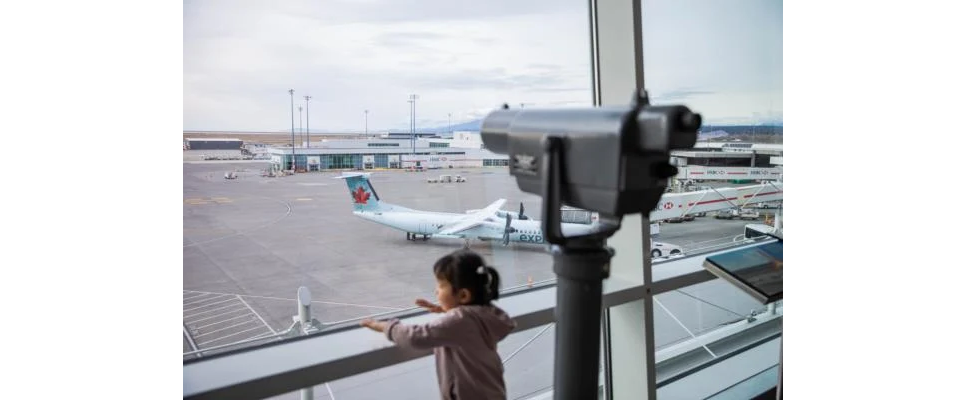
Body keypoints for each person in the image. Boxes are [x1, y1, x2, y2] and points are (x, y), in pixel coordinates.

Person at [361, 249, 516, 400]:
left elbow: (415, 337)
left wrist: (385, 326)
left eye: (441, 286)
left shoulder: (459, 320)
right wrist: (446, 309)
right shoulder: (486, 314)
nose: (436, 291)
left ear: (463, 295)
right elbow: (467, 322)